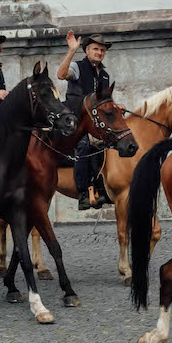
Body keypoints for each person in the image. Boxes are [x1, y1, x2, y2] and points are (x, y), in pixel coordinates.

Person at [57, 31, 112, 210]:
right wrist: (72, 50)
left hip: (95, 120)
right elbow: (60, 74)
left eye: (102, 50)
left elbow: (105, 102)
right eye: (96, 49)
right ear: (87, 50)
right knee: (84, 145)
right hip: (75, 116)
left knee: (112, 142)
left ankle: (102, 188)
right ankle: (82, 193)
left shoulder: (104, 75)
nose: (99, 52)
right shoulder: (77, 66)